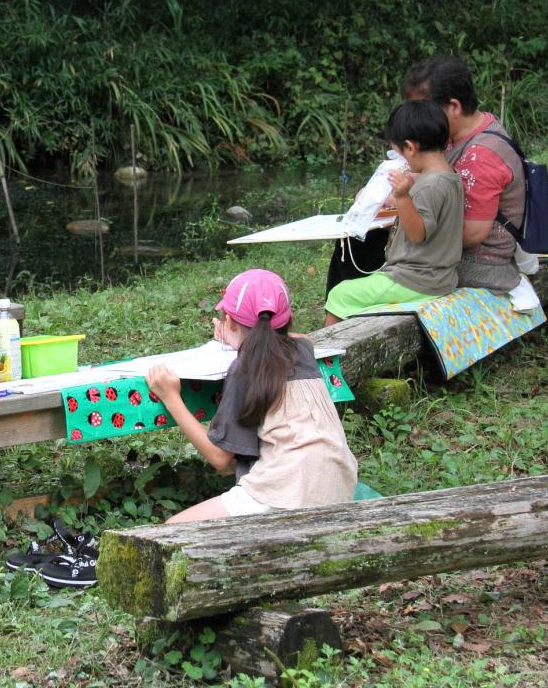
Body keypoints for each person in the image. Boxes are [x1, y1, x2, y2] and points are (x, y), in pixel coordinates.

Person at [146, 269, 358, 523]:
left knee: (172, 529)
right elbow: (284, 338)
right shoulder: (305, 350)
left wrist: (171, 397)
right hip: (338, 487)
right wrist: (237, 336)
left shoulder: (244, 368)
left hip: (284, 494)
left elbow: (220, 460)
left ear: (231, 322)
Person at [323, 100, 464, 324]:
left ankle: (325, 356)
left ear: (410, 147)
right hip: (440, 277)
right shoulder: (449, 176)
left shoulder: (430, 185)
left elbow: (418, 233)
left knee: (340, 293)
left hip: (415, 279)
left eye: (399, 153)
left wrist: (401, 197)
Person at [401, 55, 527, 293]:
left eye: (423, 111)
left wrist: (409, 221)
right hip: (453, 256)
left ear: (454, 106)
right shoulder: (458, 134)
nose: (416, 119)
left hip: (478, 266)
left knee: (369, 266)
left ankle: (338, 330)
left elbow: (472, 233)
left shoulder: (482, 154)